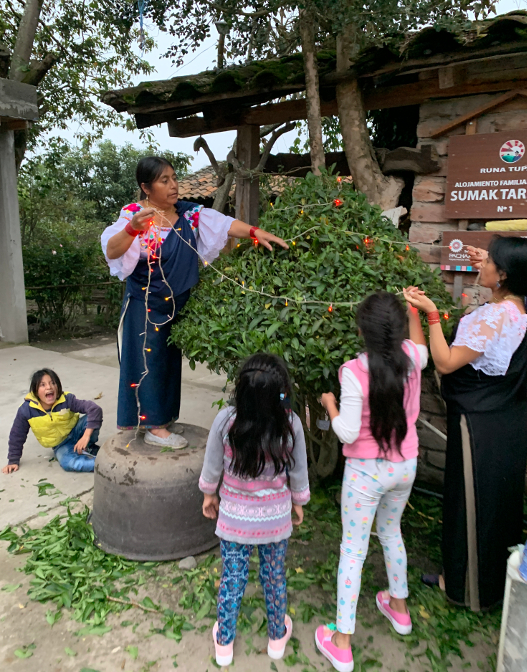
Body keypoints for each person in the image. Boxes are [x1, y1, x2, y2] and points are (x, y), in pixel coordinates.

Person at [101, 157, 288, 449]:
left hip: (177, 304)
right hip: (145, 305)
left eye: (174, 178)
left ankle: (162, 419)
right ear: (146, 188)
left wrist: (255, 232)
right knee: (148, 362)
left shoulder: (188, 215)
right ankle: (153, 427)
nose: (174, 185)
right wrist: (132, 230)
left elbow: (224, 223)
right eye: (164, 180)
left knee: (168, 363)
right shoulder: (134, 215)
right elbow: (113, 250)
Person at [404, 236, 527, 611]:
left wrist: (430, 313)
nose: (481, 262)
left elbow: (445, 361)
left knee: (467, 501)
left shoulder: (495, 316)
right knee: (497, 503)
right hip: (507, 422)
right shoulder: (519, 306)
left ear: (503, 275)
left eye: (489, 261)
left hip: (477, 424)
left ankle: (462, 587)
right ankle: (490, 584)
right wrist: (489, 265)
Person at [315, 291, 428, 672]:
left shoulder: (353, 370)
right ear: (400, 329)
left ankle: (342, 642)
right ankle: (399, 609)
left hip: (366, 473)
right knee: (391, 532)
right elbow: (419, 343)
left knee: (353, 549)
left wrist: (329, 403)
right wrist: (413, 309)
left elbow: (347, 432)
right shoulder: (414, 358)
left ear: (362, 330)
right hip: (404, 467)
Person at [198, 353, 310, 666]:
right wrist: (299, 501)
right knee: (274, 575)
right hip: (275, 521)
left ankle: (224, 644)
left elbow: (212, 463)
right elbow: (298, 471)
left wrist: (209, 494)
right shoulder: (290, 425)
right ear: (281, 392)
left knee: (233, 578)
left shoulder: (225, 421)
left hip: (234, 520)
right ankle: (277, 637)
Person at [3, 369, 102, 474]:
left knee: (91, 418)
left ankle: (89, 445)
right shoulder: (26, 410)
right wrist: (13, 460)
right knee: (69, 463)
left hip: (76, 431)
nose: (49, 387)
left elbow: (95, 409)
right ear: (35, 391)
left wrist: (86, 436)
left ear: (58, 387)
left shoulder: (66, 399)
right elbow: (17, 435)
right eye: (43, 385)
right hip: (61, 445)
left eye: (52, 383)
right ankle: (106, 465)